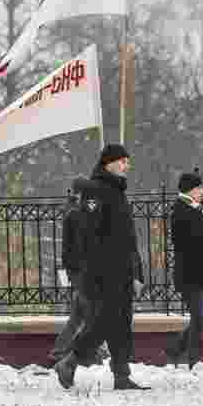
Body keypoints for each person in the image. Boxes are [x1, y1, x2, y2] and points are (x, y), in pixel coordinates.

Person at [54, 144, 148, 391]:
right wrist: (95, 269)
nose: (127, 166)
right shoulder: (95, 191)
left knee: (121, 323)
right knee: (104, 321)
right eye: (122, 161)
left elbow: (128, 238)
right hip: (103, 271)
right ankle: (70, 360)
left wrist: (136, 272)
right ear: (109, 162)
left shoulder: (117, 191)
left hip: (122, 269)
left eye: (128, 161)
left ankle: (121, 374)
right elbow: (90, 235)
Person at [162, 172, 203, 371]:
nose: (202, 191)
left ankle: (174, 348)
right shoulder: (181, 211)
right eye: (198, 188)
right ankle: (193, 361)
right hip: (190, 274)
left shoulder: (195, 210)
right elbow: (199, 240)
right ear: (190, 190)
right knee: (200, 319)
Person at [48, 184, 107, 367]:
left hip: (77, 271)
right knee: (92, 314)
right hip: (81, 272)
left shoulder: (73, 212)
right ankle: (96, 353)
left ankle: (59, 352)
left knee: (78, 317)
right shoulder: (76, 214)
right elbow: (82, 245)